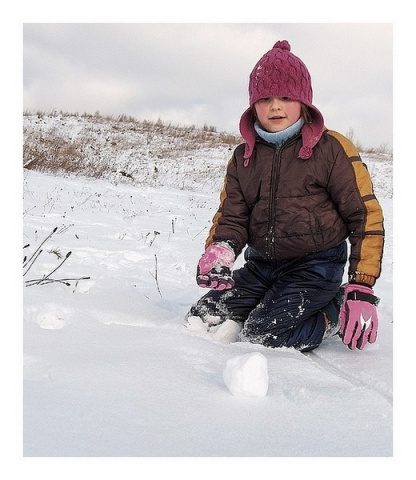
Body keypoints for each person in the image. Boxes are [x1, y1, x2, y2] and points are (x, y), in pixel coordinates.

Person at [186, 40, 384, 352]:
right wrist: (221, 250)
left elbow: (365, 216)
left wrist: (362, 284)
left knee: (263, 335)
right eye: (265, 98)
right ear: (253, 104)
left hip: (316, 266)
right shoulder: (243, 157)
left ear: (304, 102)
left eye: (286, 96)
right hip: (262, 264)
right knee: (204, 316)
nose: (275, 106)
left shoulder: (332, 150)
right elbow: (233, 214)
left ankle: (331, 309)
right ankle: (270, 300)